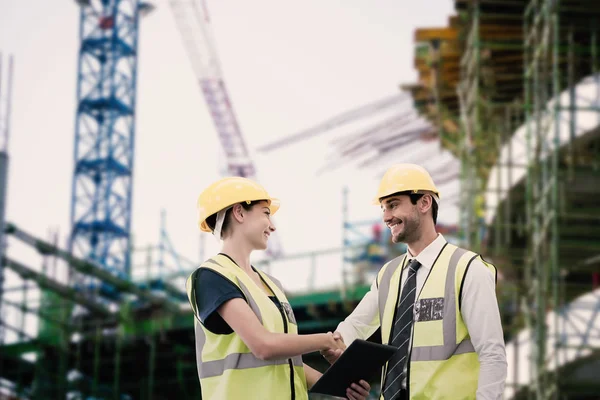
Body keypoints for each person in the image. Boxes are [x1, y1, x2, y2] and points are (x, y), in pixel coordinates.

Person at [322, 164, 508, 400]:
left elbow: (492, 354)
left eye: (393, 205)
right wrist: (334, 348)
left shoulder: (468, 269)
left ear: (424, 203)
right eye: (383, 208)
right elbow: (354, 327)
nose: (386, 216)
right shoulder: (388, 275)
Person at [185, 176, 371, 400]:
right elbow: (263, 346)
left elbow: (288, 363)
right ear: (239, 212)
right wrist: (325, 340)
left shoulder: (272, 285)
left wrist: (339, 389)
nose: (272, 225)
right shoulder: (212, 276)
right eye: (265, 212)